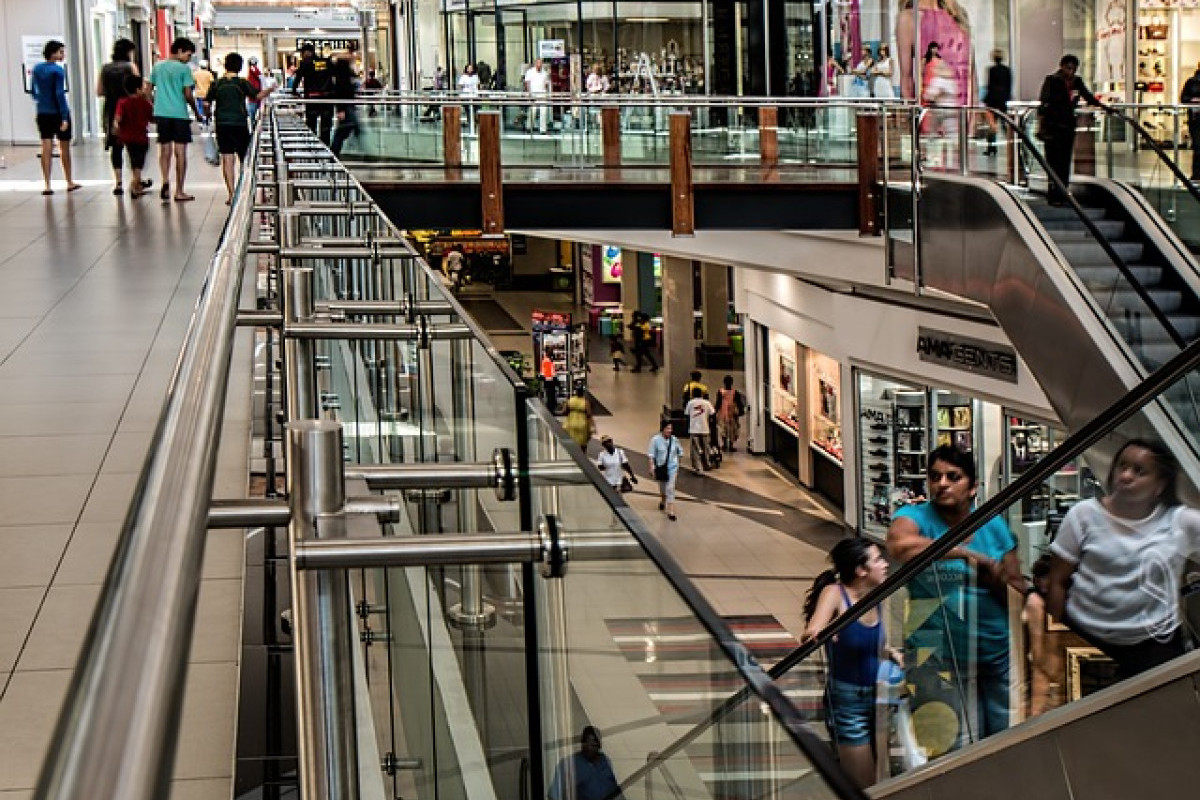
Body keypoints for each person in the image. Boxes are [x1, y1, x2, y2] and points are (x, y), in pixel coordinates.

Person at [886, 445, 1023, 752]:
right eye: (935, 477)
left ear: (973, 487)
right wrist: (964, 553)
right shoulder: (914, 517)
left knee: (1003, 743)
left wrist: (996, 579)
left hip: (994, 652)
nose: (942, 483)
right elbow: (900, 545)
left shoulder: (994, 525)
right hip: (936, 655)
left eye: (953, 476)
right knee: (951, 747)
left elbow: (1015, 589)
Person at [1047, 439, 1200, 679]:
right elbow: (1057, 581)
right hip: (1085, 640)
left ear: (1159, 485)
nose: (1126, 476)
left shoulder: (1180, 522)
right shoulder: (1084, 515)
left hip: (1153, 647)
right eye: (1122, 466)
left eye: (1139, 471)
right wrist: (1054, 642)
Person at [802, 538, 899, 789]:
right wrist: (817, 633)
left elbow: (869, 642)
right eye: (878, 559)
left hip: (878, 697)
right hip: (848, 702)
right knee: (862, 783)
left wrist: (890, 652)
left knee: (880, 778)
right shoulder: (835, 594)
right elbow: (814, 628)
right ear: (860, 570)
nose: (885, 564)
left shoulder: (875, 595)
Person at [206, 52, 274, 202]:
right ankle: (244, 190)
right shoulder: (241, 83)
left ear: (225, 65)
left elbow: (206, 102)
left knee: (227, 158)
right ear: (240, 66)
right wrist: (270, 89)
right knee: (244, 158)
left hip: (222, 123)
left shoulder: (217, 83)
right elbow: (256, 96)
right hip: (239, 123)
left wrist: (207, 115)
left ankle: (231, 194)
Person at [1037, 54, 1104, 206]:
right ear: (1062, 67)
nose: (1071, 72)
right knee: (1053, 161)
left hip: (1067, 127)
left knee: (1065, 161)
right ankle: (1053, 193)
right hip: (1053, 127)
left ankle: (1063, 192)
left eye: (1073, 69)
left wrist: (1104, 107)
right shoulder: (1052, 80)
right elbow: (1044, 104)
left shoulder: (1076, 82)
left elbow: (1089, 97)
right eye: (1068, 68)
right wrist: (1041, 126)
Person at [897, 0, 975, 107]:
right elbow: (907, 80)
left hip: (964, 111)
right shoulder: (909, 18)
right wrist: (910, 118)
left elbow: (971, 73)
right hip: (930, 112)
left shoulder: (958, 15)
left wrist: (973, 116)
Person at [149, 37, 199, 203]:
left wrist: (154, 105)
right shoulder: (184, 70)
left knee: (164, 150)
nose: (188, 58)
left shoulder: (157, 66)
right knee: (180, 153)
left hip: (162, 114)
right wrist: (196, 111)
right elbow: (187, 94)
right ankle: (179, 191)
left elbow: (147, 90)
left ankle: (164, 180)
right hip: (179, 114)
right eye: (188, 54)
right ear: (179, 51)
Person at [97, 38, 146, 196]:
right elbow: (139, 87)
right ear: (128, 52)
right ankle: (135, 181)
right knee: (134, 147)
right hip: (130, 109)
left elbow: (99, 91)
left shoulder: (105, 68)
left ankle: (118, 182)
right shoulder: (130, 67)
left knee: (116, 147)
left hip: (111, 109)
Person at [31, 39, 80, 195]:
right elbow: (60, 93)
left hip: (42, 112)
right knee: (64, 147)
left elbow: (33, 91)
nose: (63, 54)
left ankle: (47, 184)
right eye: (61, 51)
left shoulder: (37, 69)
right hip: (58, 113)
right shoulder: (58, 70)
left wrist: (42, 101)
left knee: (46, 146)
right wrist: (64, 117)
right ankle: (69, 181)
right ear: (53, 53)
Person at [547, 726, 624, 800]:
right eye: (588, 744)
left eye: (595, 745)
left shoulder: (605, 760)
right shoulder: (567, 764)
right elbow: (553, 795)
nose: (591, 748)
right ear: (582, 744)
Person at [113, 75, 154, 198]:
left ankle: (137, 184)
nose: (146, 88)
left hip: (127, 138)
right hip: (141, 137)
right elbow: (152, 118)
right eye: (143, 86)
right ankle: (134, 185)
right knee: (138, 163)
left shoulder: (122, 102)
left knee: (134, 160)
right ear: (137, 89)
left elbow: (118, 118)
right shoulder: (145, 103)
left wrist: (116, 127)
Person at [294, 43, 334, 145]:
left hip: (312, 99)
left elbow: (297, 79)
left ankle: (313, 149)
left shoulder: (305, 63)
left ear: (306, 53)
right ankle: (326, 149)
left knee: (311, 126)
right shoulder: (325, 62)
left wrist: (294, 92)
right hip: (327, 99)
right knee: (326, 128)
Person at [648, 420, 683, 521]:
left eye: (671, 429)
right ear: (662, 429)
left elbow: (680, 452)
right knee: (663, 488)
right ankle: (663, 500)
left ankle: (670, 510)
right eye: (667, 428)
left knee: (670, 488)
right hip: (661, 468)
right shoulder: (655, 440)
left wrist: (678, 464)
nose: (669, 431)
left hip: (672, 467)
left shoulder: (674, 440)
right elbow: (651, 455)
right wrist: (652, 467)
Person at [983, 49, 1012, 156]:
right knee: (1005, 125)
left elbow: (989, 86)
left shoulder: (991, 70)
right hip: (1003, 100)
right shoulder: (1007, 70)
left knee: (992, 124)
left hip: (992, 100)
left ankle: (991, 147)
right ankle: (1012, 145)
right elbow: (1009, 86)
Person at [329, 58, 360, 157]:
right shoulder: (343, 80)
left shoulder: (341, 78)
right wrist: (341, 109)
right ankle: (334, 154)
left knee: (343, 132)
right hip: (347, 108)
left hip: (347, 108)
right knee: (343, 132)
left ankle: (334, 154)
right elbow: (342, 95)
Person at [684, 387, 715, 473]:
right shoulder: (707, 403)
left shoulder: (690, 403)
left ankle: (698, 467)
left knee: (695, 449)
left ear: (692, 394)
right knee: (706, 447)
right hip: (705, 428)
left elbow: (686, 415)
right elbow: (712, 413)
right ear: (701, 394)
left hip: (694, 429)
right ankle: (707, 464)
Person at [714, 375, 745, 452]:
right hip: (732, 413)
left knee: (723, 429)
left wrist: (715, 411)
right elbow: (739, 403)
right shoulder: (735, 392)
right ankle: (731, 445)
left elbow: (718, 403)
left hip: (723, 413)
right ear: (732, 383)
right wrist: (741, 411)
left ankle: (724, 445)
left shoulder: (720, 392)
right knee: (732, 430)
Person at [1181, 63, 1200, 181]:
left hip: (1195, 118)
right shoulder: (1191, 82)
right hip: (1195, 118)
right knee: (1198, 148)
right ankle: (1196, 175)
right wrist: (1193, 100)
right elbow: (1183, 98)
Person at [524, 58, 551, 134]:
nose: (539, 65)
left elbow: (546, 84)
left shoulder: (544, 73)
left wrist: (547, 93)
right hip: (533, 93)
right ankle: (529, 127)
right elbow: (527, 83)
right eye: (538, 63)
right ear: (535, 64)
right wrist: (529, 93)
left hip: (542, 93)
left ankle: (543, 129)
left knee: (543, 111)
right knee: (533, 111)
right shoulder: (530, 72)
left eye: (541, 63)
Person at [564, 386, 594, 450]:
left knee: (571, 440)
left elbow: (564, 411)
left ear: (576, 392)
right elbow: (589, 414)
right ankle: (582, 456)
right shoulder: (585, 402)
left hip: (571, 423)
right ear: (582, 393)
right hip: (582, 424)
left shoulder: (570, 400)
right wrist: (592, 425)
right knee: (583, 443)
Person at [246, 56, 264, 123]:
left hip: (254, 98)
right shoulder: (253, 69)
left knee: (253, 116)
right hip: (255, 97)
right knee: (254, 115)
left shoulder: (253, 69)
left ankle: (253, 127)